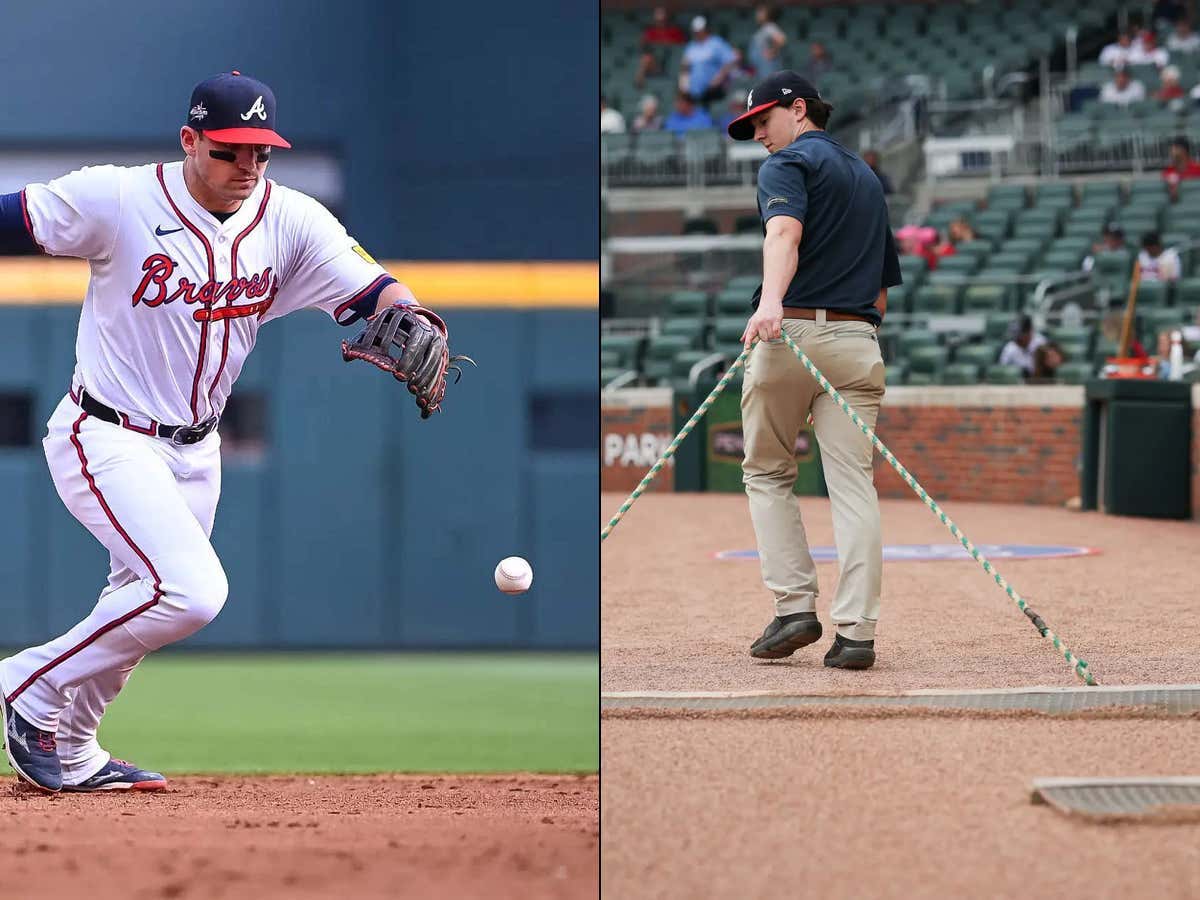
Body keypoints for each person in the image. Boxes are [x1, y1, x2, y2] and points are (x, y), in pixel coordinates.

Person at [0, 72, 462, 793]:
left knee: (140, 604)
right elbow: (11, 217)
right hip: (107, 434)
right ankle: (23, 687)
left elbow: (373, 289)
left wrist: (413, 312)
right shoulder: (117, 198)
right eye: (230, 150)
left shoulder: (290, 219)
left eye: (262, 153)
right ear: (189, 140)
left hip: (197, 449)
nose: (247, 167)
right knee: (189, 592)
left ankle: (75, 746)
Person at [727, 70, 900, 671]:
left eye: (761, 121)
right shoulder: (868, 178)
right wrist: (851, 334)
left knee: (769, 472)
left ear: (798, 110)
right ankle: (857, 635)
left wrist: (771, 302)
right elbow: (880, 292)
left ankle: (795, 606)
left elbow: (783, 232)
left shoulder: (787, 165)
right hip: (858, 339)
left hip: (790, 332)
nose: (757, 136)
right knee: (853, 486)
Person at [679, 16, 741, 105]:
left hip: (712, 92)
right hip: (693, 93)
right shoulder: (691, 46)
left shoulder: (716, 43)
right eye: (695, 31)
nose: (697, 33)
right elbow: (685, 66)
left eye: (700, 30)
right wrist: (683, 84)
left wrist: (718, 79)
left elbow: (730, 61)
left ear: (705, 29)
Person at [636, 7, 687, 89]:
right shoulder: (650, 31)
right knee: (646, 58)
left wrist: (665, 43)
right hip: (655, 63)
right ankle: (639, 81)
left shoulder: (674, 31)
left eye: (662, 20)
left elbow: (682, 46)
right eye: (658, 20)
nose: (660, 23)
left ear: (667, 19)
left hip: (672, 62)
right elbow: (643, 45)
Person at [749, 6, 788, 76]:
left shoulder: (770, 27)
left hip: (769, 68)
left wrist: (772, 52)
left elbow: (782, 40)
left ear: (768, 14)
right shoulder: (764, 28)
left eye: (760, 12)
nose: (757, 14)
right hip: (761, 68)